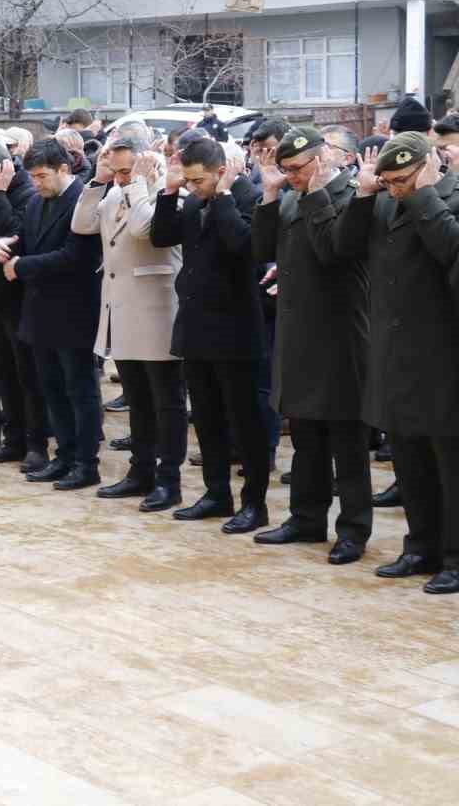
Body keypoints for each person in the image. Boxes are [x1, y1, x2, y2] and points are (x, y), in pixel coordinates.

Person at [336, 133, 459, 593]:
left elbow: (450, 250)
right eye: (388, 181)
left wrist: (424, 194)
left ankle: (454, 556)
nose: (395, 188)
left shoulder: (449, 196)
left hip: (443, 354)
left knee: (450, 465)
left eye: (402, 179)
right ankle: (420, 546)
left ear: (429, 167)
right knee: (409, 462)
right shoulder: (383, 200)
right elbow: (344, 250)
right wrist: (364, 195)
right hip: (393, 353)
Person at [251, 126, 372, 564]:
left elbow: (334, 252)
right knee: (306, 439)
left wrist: (317, 193)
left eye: (297, 169)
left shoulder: (351, 196)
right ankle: (306, 518)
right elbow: (263, 249)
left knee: (347, 442)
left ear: (322, 160)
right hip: (299, 336)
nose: (292, 177)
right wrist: (267, 197)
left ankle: (354, 530)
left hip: (339, 338)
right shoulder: (289, 198)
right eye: (285, 170)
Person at [150, 137, 270, 533]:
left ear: (221, 173)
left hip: (235, 330)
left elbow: (244, 246)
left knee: (245, 421)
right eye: (187, 181)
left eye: (197, 181)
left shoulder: (248, 197)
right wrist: (169, 192)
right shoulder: (191, 200)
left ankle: (254, 502)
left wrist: (220, 199)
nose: (191, 187)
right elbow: (162, 236)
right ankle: (216, 492)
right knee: (206, 417)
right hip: (197, 325)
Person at [72, 134, 186, 510]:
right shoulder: (117, 191)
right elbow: (83, 224)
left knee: (166, 402)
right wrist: (98, 179)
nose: (122, 177)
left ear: (148, 161)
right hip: (121, 309)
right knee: (138, 399)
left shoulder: (166, 193)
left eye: (128, 169)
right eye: (117, 169)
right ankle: (141, 471)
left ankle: (169, 479)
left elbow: (144, 230)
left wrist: (138, 183)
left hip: (156, 311)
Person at [0, 138, 102, 489]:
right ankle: (65, 456)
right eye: (33, 177)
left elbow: (77, 257)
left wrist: (22, 266)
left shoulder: (83, 199)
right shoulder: (39, 201)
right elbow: (24, 236)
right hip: (40, 312)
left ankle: (86, 463)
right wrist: (6, 244)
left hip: (74, 311)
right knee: (51, 389)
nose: (36, 184)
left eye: (42, 176)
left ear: (63, 169)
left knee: (80, 391)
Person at [0, 141, 48, 472]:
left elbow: (16, 235)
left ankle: (36, 444)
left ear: (1, 173)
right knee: (3, 375)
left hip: (19, 301)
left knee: (27, 377)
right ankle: (12, 438)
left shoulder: (25, 193)